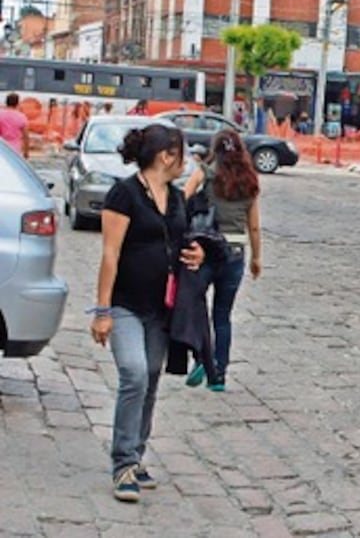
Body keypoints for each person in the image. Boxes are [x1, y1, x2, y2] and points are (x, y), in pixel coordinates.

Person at [90, 124, 204, 502]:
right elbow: (110, 254)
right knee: (134, 373)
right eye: (181, 154)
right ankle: (122, 462)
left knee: (152, 376)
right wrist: (102, 310)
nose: (184, 162)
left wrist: (198, 253)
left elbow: (184, 239)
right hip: (124, 304)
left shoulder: (175, 198)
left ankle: (136, 455)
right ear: (166, 155)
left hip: (162, 307)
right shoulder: (124, 194)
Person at [183, 128, 262, 392]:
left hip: (206, 249)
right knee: (222, 315)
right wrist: (257, 258)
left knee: (196, 306)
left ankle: (200, 359)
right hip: (235, 253)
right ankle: (219, 373)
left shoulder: (206, 172)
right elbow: (254, 227)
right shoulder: (250, 181)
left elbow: (184, 196)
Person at [0, 92, 29, 159]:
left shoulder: (0, 114)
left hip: (2, 147)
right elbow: (26, 136)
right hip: (14, 150)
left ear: (6, 102)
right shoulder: (21, 117)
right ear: (17, 103)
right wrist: (26, 152)